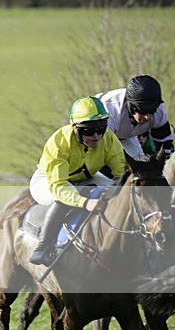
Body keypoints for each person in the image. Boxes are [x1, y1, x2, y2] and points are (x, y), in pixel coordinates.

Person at [28, 96, 126, 266]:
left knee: (118, 190)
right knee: (63, 197)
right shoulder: (59, 142)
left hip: (85, 177)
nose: (96, 136)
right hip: (49, 180)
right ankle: (43, 247)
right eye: (89, 131)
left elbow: (123, 171)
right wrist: (85, 203)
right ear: (75, 128)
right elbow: (59, 186)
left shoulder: (108, 138)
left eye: (101, 129)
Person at [95, 75, 173, 161]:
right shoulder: (111, 111)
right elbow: (97, 147)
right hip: (94, 136)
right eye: (143, 110)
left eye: (152, 110)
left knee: (141, 163)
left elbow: (164, 145)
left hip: (125, 136)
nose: (147, 117)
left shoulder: (159, 112)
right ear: (130, 105)